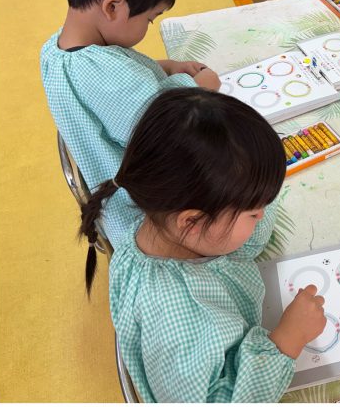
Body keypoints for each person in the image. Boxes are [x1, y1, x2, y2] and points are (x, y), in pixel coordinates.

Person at [81, 88, 326, 402]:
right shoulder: (178, 318)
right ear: (192, 221)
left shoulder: (161, 224)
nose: (262, 215)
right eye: (253, 212)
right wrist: (287, 341)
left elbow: (237, 235)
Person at [40, 0, 221, 243]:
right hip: (146, 217)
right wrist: (198, 88)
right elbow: (168, 130)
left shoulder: (56, 51)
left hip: (112, 192)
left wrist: (164, 67)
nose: (149, 26)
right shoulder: (107, 75)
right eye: (150, 19)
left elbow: (120, 81)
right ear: (113, 6)